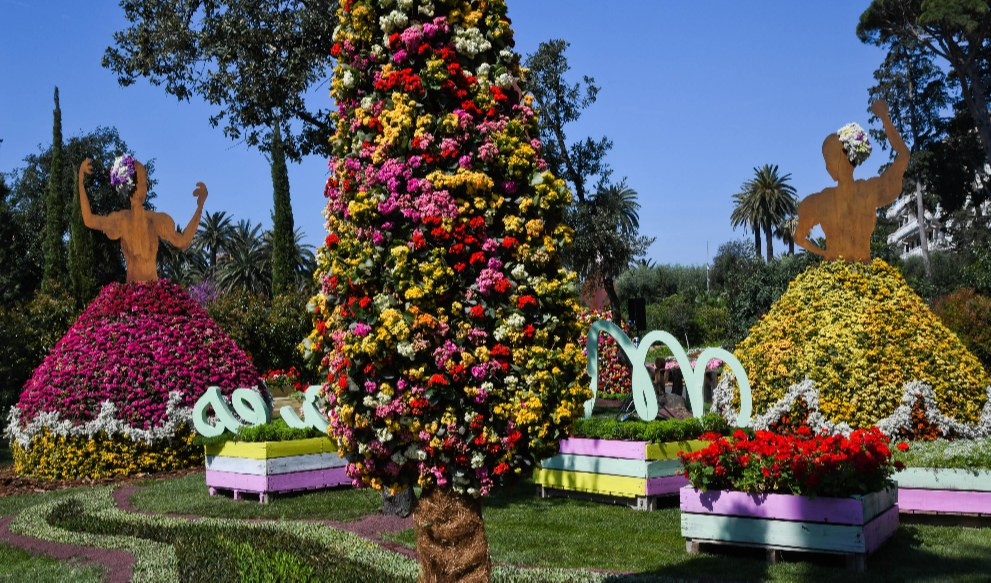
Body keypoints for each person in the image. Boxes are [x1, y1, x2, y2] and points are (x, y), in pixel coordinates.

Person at [794, 100, 908, 261]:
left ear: (847, 157)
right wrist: (825, 254)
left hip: (859, 275)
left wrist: (885, 119)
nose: (827, 166)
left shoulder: (868, 191)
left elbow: (904, 156)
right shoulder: (821, 201)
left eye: (830, 158)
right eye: (826, 159)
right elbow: (799, 237)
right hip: (841, 276)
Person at [78, 158, 207, 282]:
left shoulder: (157, 220)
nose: (145, 187)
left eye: (145, 182)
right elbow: (89, 220)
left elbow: (182, 241)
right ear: (130, 186)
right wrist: (81, 183)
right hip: (132, 297)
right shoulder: (121, 220)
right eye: (142, 181)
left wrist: (200, 207)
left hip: (154, 296)